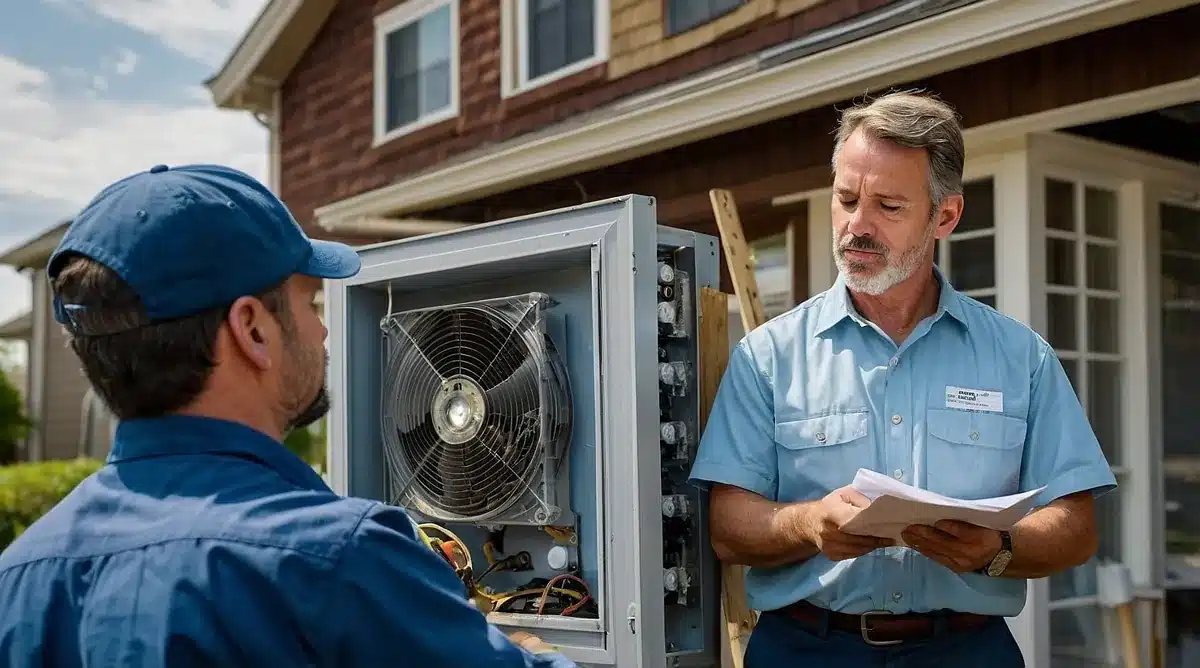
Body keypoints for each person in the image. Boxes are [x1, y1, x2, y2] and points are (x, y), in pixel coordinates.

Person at [0, 164, 577, 668]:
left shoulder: (19, 579)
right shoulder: (336, 559)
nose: (325, 330)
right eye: (309, 302)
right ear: (253, 329)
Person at [689, 91, 1117, 667]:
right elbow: (726, 526)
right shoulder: (768, 356)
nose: (856, 226)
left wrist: (998, 548)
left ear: (945, 215)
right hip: (803, 649)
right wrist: (810, 524)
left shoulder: (1022, 358)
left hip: (966, 651)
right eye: (846, 199)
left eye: (888, 207)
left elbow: (1077, 526)